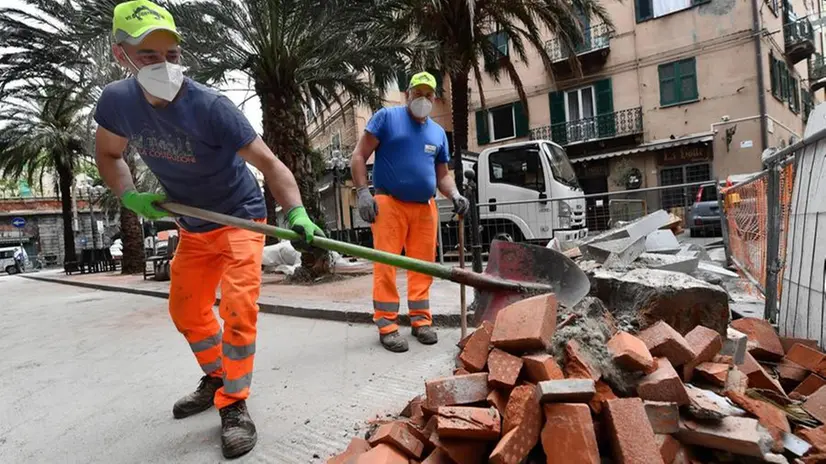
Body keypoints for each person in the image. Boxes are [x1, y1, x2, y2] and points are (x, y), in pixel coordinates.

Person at [93, 0, 324, 458]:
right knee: (187, 310)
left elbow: (271, 164)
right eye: (149, 55)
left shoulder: (212, 106)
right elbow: (110, 154)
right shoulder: (117, 102)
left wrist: (296, 212)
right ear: (121, 55)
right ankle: (219, 375)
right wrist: (129, 195)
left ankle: (234, 405)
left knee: (238, 309)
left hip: (239, 215)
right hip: (193, 223)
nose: (165, 64)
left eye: (172, 53)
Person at [350, 72, 469, 353]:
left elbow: (442, 175)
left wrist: (454, 194)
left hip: (425, 208)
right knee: (386, 265)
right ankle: (387, 325)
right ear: (407, 94)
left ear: (435, 98)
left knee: (423, 267)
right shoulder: (386, 118)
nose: (424, 99)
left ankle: (420, 320)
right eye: (419, 93)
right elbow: (358, 156)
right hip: (389, 203)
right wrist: (363, 192)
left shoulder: (438, 133)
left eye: (429, 95)